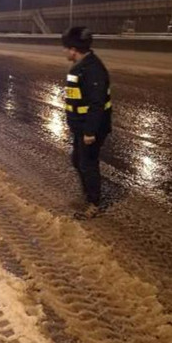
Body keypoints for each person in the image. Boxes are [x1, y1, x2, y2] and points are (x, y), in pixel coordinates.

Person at [61, 27, 112, 219]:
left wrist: (90, 132)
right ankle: (89, 195)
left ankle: (93, 203)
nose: (64, 51)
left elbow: (97, 104)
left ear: (73, 49)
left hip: (92, 128)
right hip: (81, 126)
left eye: (66, 48)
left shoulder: (93, 70)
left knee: (88, 163)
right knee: (78, 160)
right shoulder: (81, 66)